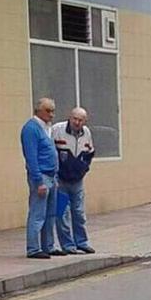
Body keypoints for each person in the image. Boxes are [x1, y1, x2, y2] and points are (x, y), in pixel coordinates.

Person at [52, 107, 96, 255]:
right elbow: (50, 152)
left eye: (80, 120)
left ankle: (82, 242)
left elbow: (90, 153)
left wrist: (84, 169)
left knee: (79, 213)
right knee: (62, 214)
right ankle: (67, 245)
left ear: (85, 121)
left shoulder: (87, 133)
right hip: (61, 180)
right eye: (74, 118)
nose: (77, 122)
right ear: (69, 118)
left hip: (77, 181)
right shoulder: (57, 130)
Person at [21, 98, 60, 259]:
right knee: (38, 214)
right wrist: (38, 181)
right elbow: (31, 157)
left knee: (50, 214)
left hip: (52, 176)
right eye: (48, 111)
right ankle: (33, 248)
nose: (52, 115)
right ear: (39, 111)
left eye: (53, 111)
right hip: (41, 177)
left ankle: (48, 245)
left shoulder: (47, 128)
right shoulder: (31, 129)